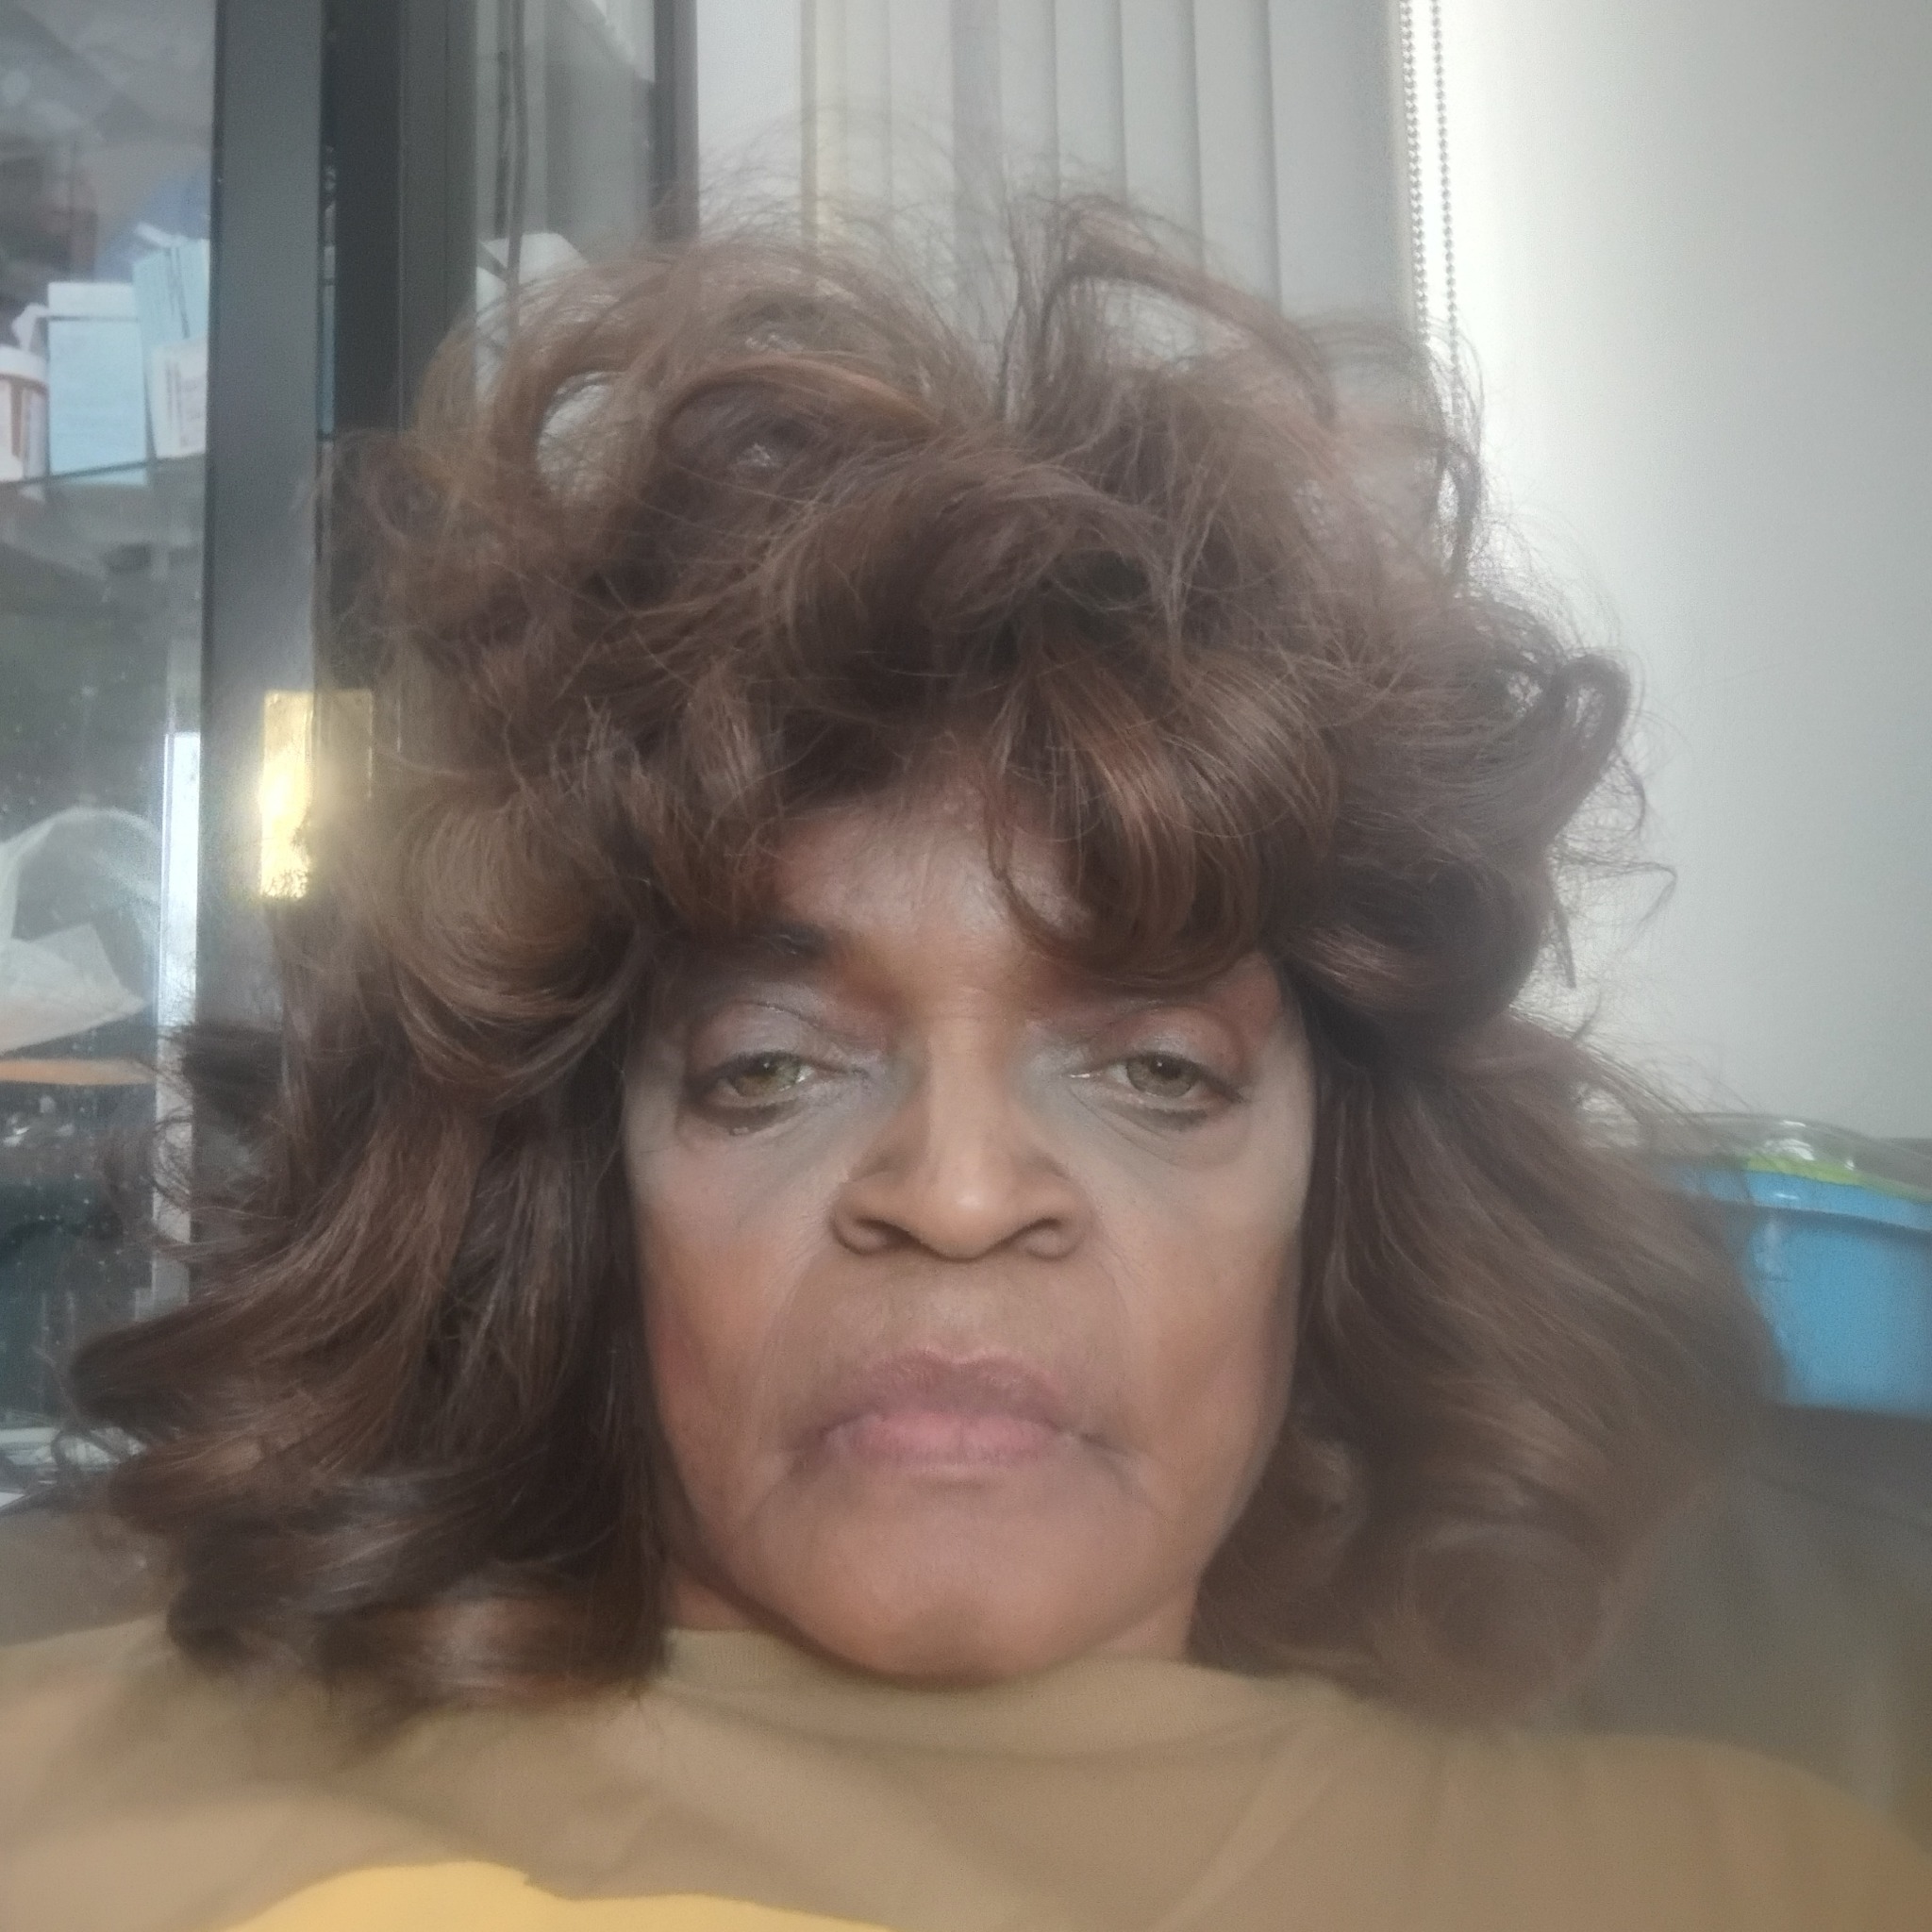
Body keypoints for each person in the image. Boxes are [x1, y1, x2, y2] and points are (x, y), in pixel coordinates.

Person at [1, 200, 1925, 1932]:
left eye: (1159, 1071)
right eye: (766, 1068)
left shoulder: (1759, 1881)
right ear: (581, 1198)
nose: (960, 1190)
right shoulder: (57, 1792)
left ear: (1341, 1202)